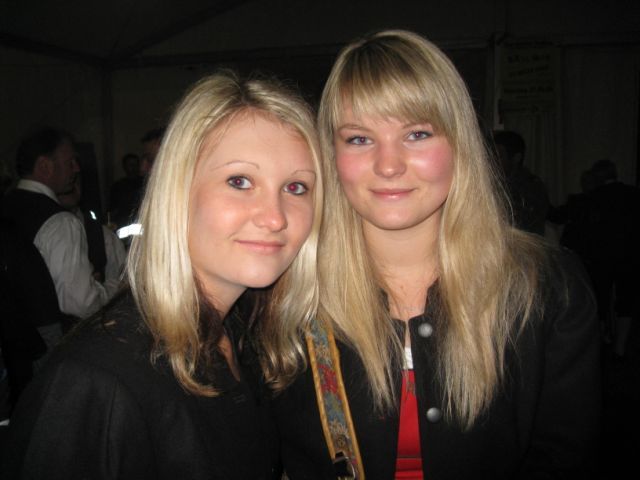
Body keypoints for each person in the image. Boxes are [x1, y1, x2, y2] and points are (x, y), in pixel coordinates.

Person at [264, 30, 601, 479]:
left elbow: (563, 456)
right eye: (359, 139)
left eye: (417, 134)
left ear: (460, 143)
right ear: (331, 154)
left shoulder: (546, 286)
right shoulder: (284, 291)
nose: (388, 165)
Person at [1, 71, 322, 479]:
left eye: (296, 188)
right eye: (239, 181)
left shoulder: (246, 337)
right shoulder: (97, 382)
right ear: (178, 190)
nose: (275, 218)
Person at [1, 128, 118, 344]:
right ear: (45, 166)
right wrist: (111, 287)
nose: (76, 168)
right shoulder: (61, 222)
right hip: (46, 347)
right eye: (70, 162)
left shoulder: (7, 206)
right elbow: (80, 303)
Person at [493, 130, 550, 236]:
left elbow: (517, 225)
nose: (494, 161)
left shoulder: (531, 188)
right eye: (493, 156)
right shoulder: (499, 182)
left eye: (500, 156)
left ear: (516, 158)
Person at [108, 153, 144, 230]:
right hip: (123, 225)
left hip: (142, 223)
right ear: (124, 166)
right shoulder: (118, 186)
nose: (134, 167)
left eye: (136, 164)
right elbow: (112, 209)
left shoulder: (145, 183)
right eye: (131, 165)